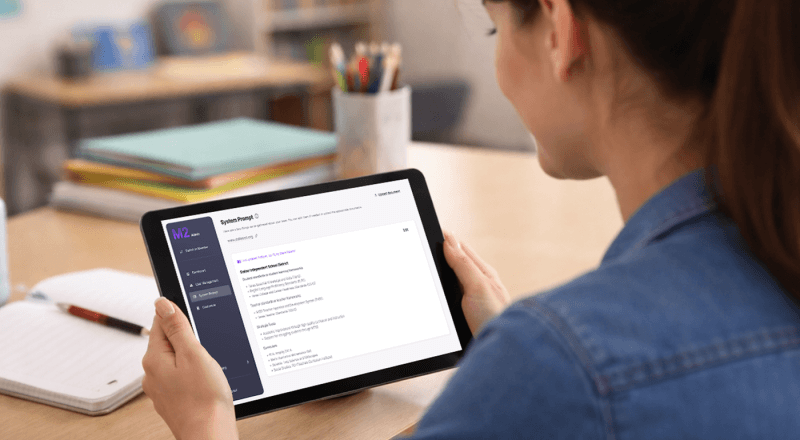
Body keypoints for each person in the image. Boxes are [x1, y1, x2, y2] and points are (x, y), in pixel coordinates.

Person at [142, 0, 800, 438]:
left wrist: (206, 422)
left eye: (494, 26)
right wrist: (508, 354)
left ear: (559, 31)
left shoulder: (564, 362)